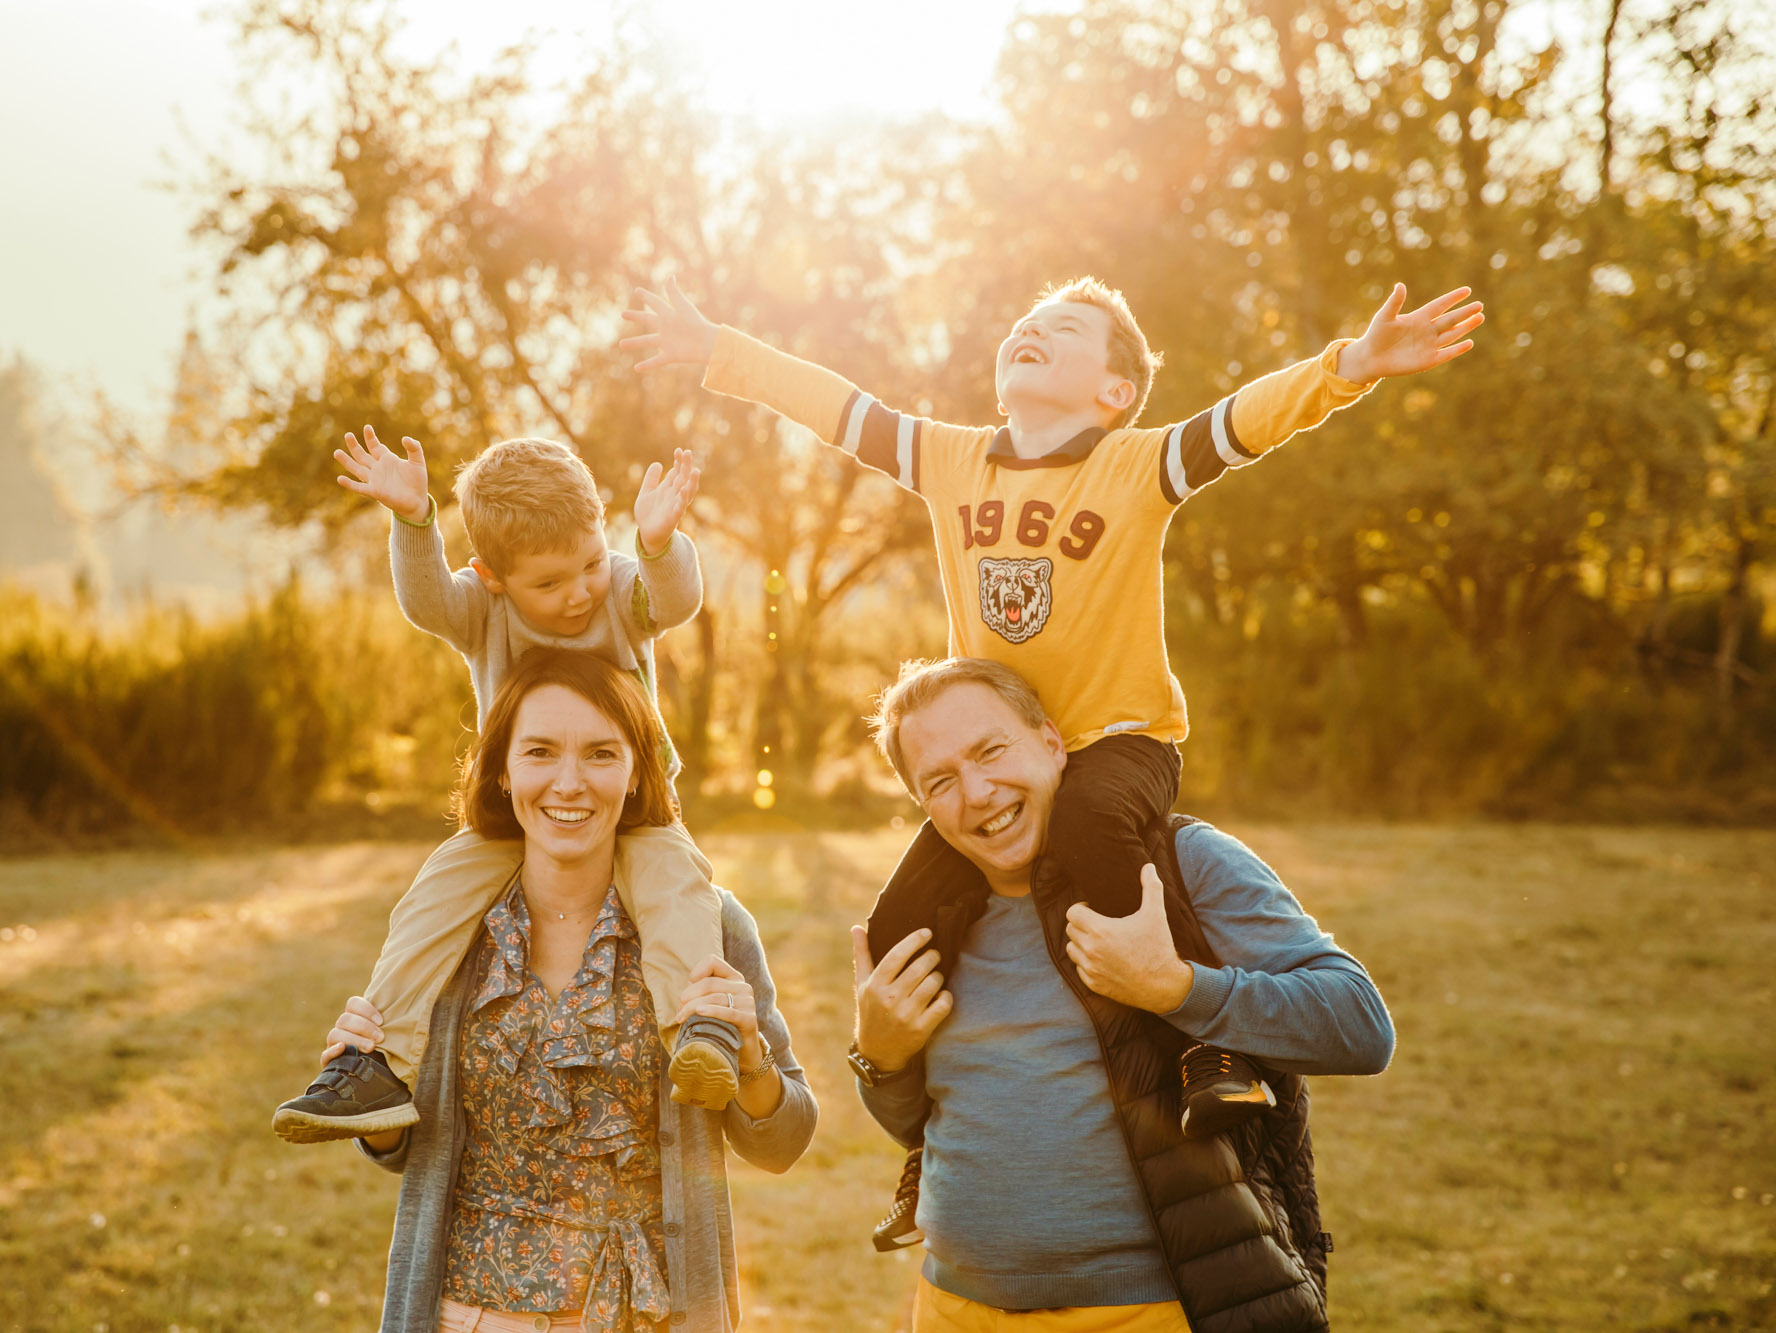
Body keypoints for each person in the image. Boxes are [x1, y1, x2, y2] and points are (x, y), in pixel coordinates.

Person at [620, 272, 1471, 1231]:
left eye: (1062, 329)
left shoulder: (1135, 463)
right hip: (1000, 754)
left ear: (1114, 390)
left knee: (1092, 824)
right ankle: (927, 1149)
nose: (1030, 328)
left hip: (1116, 742)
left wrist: (1350, 365)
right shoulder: (950, 461)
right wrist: (718, 350)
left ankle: (1207, 1049)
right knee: (901, 916)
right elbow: (835, 404)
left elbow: (1247, 420)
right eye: (1024, 322)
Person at [848, 656, 1393, 1332]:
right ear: (923, 806)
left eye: (991, 750)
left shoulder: (1179, 862)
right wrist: (879, 1056)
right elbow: (924, 1121)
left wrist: (1178, 988)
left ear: (1051, 742)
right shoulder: (938, 925)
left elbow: (1362, 1023)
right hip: (955, 1308)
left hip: (1150, 1309)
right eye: (941, 781)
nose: (979, 791)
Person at [303, 649, 818, 1333]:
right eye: (541, 751)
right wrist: (371, 1096)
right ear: (504, 770)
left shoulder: (706, 925)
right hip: (466, 1315)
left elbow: (784, 1141)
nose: (569, 783)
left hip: (646, 1314)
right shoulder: (450, 934)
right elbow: (404, 1152)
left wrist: (751, 1062)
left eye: (601, 753)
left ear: (636, 773)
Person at [273, 432, 737, 1147]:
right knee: (432, 899)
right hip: (509, 814)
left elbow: (672, 600)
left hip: (636, 805)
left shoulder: (618, 587)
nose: (579, 591)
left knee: (678, 888)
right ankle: (378, 1063)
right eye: (549, 583)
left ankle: (698, 1030)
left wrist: (655, 542)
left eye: (588, 562)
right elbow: (428, 601)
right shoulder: (480, 612)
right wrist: (413, 520)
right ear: (490, 574)